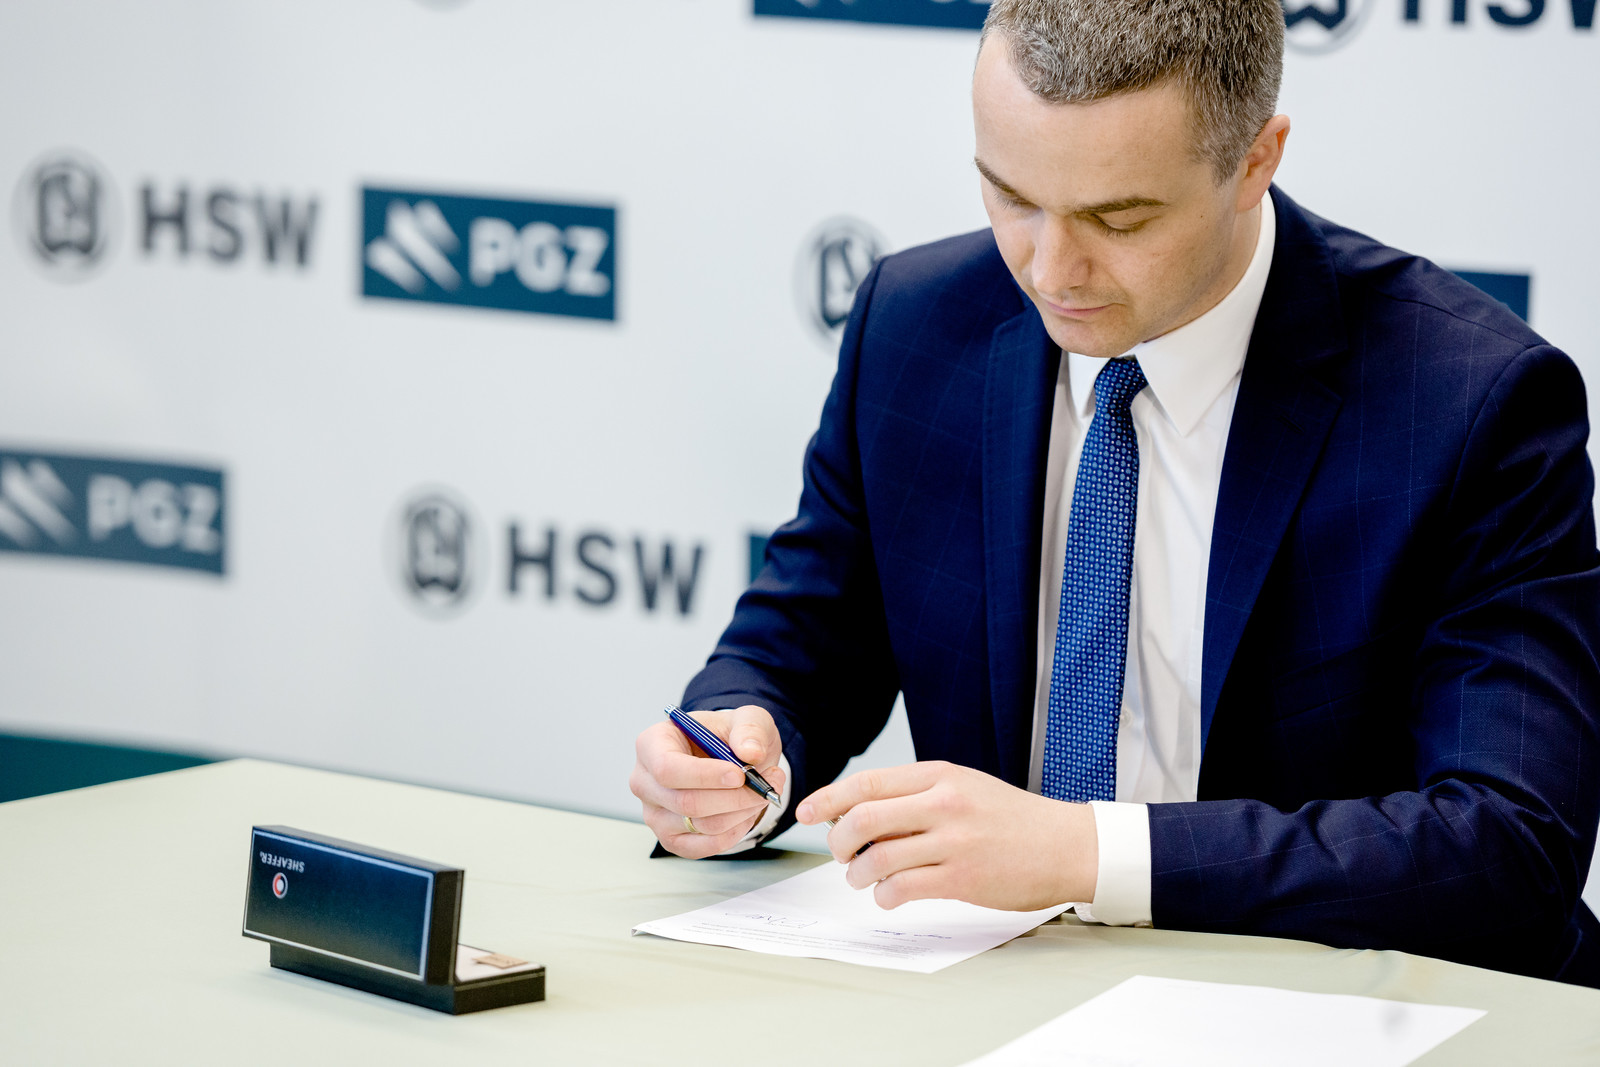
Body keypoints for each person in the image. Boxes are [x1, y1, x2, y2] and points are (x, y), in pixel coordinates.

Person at [629, 0, 1600, 985]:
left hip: (1351, 1004)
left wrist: (1085, 853)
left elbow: (1511, 839)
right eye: (1009, 196)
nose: (1050, 271)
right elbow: (800, 644)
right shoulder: (913, 324)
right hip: (998, 993)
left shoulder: (1470, 400)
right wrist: (736, 750)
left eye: (1119, 218)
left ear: (1255, 162)